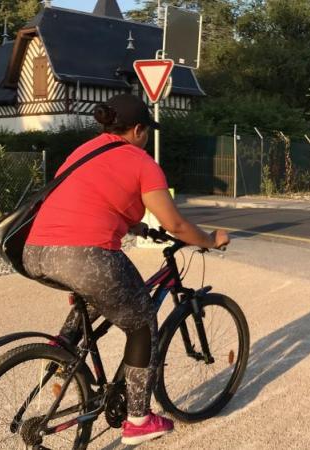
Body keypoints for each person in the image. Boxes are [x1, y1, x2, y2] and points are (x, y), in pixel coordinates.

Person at [22, 94, 229, 445]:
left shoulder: (82, 152)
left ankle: (60, 355)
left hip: (36, 252)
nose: (146, 137)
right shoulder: (141, 161)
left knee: (99, 292)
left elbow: (90, 199)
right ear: (137, 130)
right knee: (142, 321)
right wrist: (210, 239)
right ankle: (137, 419)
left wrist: (136, 227)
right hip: (84, 256)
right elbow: (177, 225)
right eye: (146, 131)